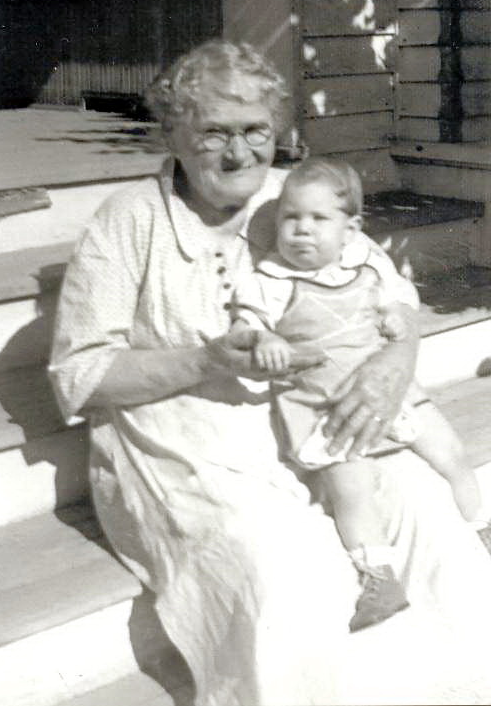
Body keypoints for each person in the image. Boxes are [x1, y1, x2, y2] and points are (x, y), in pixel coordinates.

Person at [49, 39, 491, 706]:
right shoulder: (129, 221)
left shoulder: (297, 200)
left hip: (315, 422)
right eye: (214, 134)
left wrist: (395, 360)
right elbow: (79, 375)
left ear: (278, 132)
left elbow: (391, 290)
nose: (238, 153)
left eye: (254, 131)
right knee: (283, 567)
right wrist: (202, 359)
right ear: (173, 132)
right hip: (186, 445)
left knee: (425, 507)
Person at [230, 156, 486, 633]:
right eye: (291, 218)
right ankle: (380, 579)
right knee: (352, 491)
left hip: (393, 394)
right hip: (326, 407)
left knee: (450, 451)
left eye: (318, 219)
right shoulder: (269, 279)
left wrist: (393, 313)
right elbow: (247, 325)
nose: (301, 230)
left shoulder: (366, 263)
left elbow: (397, 300)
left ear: (350, 230)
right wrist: (266, 340)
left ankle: (480, 524)